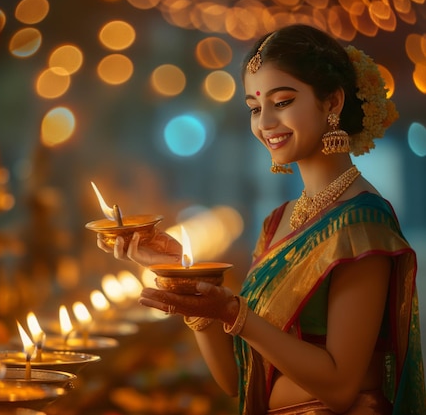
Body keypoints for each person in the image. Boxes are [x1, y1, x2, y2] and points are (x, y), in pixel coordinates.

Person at [96, 24, 426, 414]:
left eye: (282, 101)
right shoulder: (278, 221)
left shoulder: (362, 225)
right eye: (255, 108)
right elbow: (238, 381)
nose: (265, 122)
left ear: (333, 102)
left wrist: (233, 313)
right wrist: (182, 277)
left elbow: (339, 387)